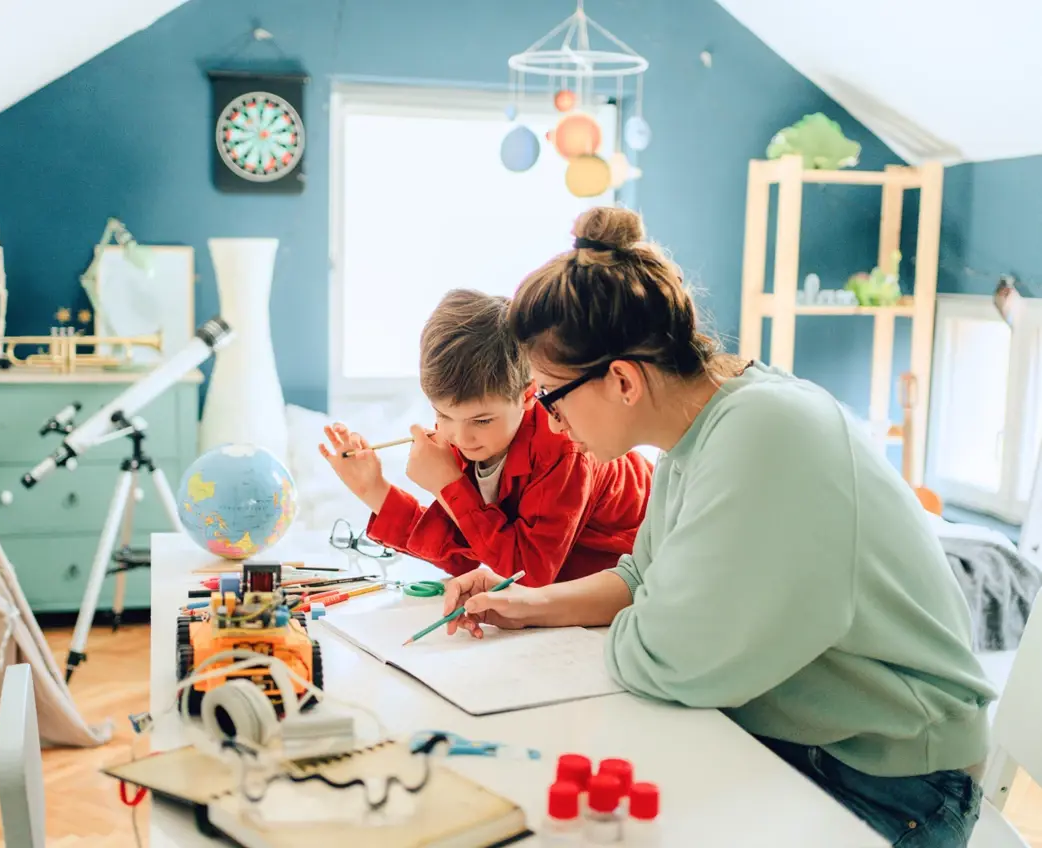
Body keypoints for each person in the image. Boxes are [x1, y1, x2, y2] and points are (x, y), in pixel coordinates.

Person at [439, 208, 996, 847]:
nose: (550, 421)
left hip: (890, 784)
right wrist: (527, 605)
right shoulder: (696, 435)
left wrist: (646, 620)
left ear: (621, 380)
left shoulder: (765, 432)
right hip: (807, 749)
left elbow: (673, 660)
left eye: (550, 395)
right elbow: (641, 578)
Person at [319, 288, 655, 587]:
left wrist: (448, 485)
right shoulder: (471, 438)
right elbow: (463, 554)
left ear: (527, 395)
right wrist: (374, 489)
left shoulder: (564, 446)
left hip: (646, 560)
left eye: (481, 419)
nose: (460, 437)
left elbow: (529, 573)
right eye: (443, 415)